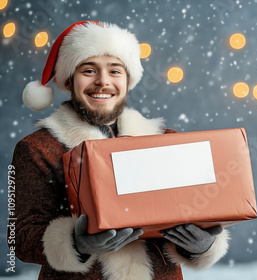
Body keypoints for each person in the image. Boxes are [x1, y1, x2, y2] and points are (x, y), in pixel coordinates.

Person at [11, 21, 230, 279]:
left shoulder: (166, 143)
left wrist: (203, 246)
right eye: (89, 70)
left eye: (115, 71)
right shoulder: (37, 149)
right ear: (69, 80)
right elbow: (20, 238)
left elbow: (197, 209)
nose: (103, 81)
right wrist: (76, 244)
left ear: (128, 80)